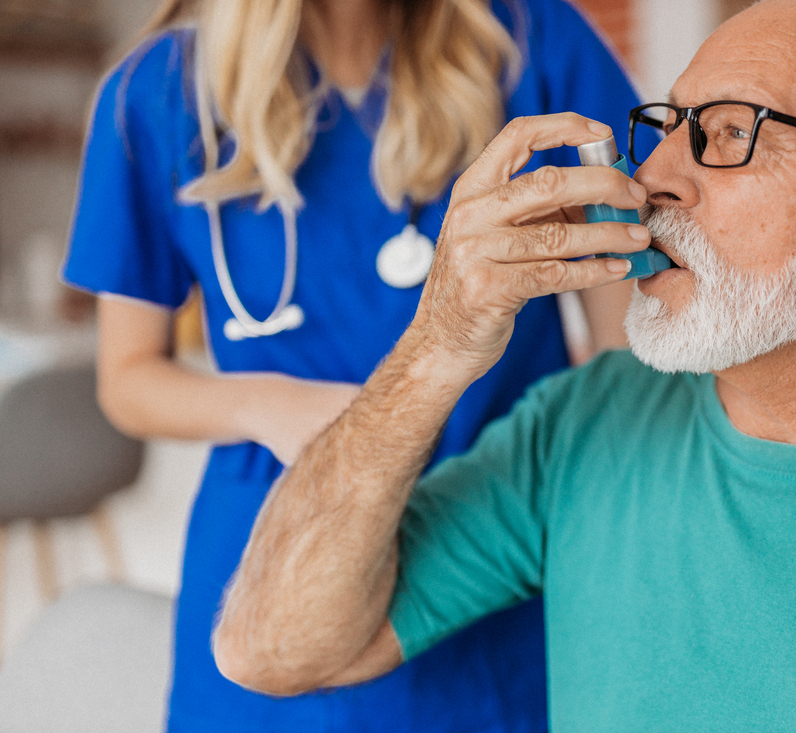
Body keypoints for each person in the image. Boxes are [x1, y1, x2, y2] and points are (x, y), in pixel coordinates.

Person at [214, 0, 796, 730]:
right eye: (665, 127)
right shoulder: (586, 422)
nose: (654, 177)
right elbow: (271, 647)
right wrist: (435, 344)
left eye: (727, 132)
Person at [62, 0, 644, 730]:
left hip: (497, 543)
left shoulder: (533, 42)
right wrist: (265, 404)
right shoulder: (155, 96)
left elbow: (632, 353)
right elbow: (128, 381)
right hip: (283, 548)